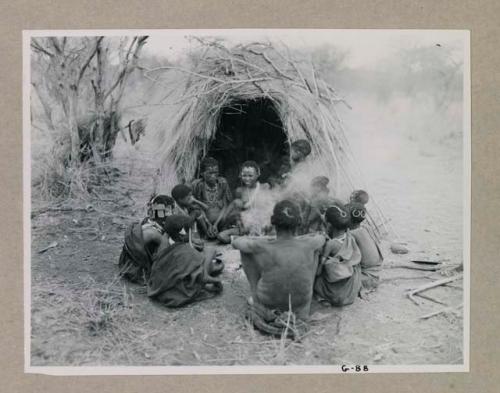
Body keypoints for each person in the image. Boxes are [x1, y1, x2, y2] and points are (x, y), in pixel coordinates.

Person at [232, 200, 325, 338]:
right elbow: (321, 237)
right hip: (301, 306)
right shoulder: (309, 243)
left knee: (246, 251)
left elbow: (236, 242)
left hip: (269, 303)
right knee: (316, 252)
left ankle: (256, 299)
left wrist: (260, 240)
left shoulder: (261, 246)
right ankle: (303, 305)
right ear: (298, 222)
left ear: (273, 222)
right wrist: (304, 237)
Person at [147, 215, 224, 307]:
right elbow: (200, 275)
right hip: (180, 289)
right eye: (189, 232)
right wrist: (216, 281)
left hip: (159, 285)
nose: (190, 234)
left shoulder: (164, 242)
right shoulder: (186, 251)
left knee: (207, 259)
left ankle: (209, 270)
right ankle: (208, 272)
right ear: (182, 234)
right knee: (211, 253)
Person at [118, 195, 175, 284]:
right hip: (138, 271)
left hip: (126, 263)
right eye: (169, 211)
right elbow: (165, 255)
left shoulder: (147, 221)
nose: (171, 214)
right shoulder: (154, 233)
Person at [313, 204, 362, 306]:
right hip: (350, 286)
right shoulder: (350, 236)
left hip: (338, 292)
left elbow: (318, 271)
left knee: (316, 281)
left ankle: (323, 298)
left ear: (329, 225)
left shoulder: (331, 244)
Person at [217, 161, 270, 243]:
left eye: (250, 176)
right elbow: (238, 211)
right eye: (244, 175)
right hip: (246, 227)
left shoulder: (264, 187)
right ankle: (249, 239)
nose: (247, 178)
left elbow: (269, 208)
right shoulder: (239, 191)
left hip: (262, 225)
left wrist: (263, 224)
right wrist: (238, 221)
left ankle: (248, 239)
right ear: (240, 175)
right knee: (221, 236)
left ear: (258, 174)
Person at [191, 157, 233, 232]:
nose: (213, 176)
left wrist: (216, 224)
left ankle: (222, 229)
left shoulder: (223, 183)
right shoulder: (197, 185)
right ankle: (204, 231)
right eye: (210, 173)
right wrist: (208, 224)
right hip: (204, 221)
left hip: (220, 220)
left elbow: (226, 205)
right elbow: (197, 208)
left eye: (216, 172)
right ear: (202, 174)